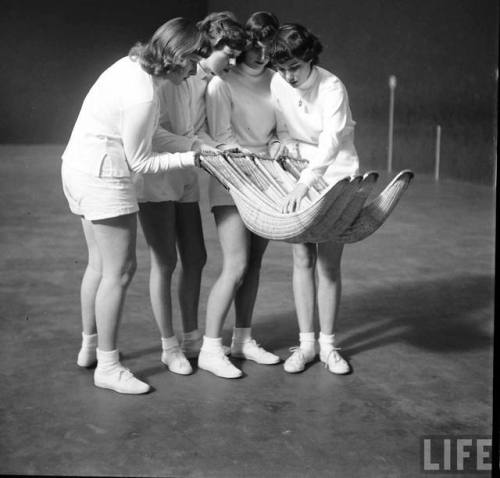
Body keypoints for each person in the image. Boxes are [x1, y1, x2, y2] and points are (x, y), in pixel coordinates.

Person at [61, 18, 203, 394]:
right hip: (103, 176)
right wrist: (192, 161)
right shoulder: (144, 91)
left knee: (98, 264)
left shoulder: (133, 66)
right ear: (177, 57)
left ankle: (90, 347)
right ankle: (108, 366)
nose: (193, 69)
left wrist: (192, 146)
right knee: (121, 271)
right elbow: (140, 160)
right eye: (191, 60)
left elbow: (147, 130)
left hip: (77, 168)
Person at [134, 12, 249, 373]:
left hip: (186, 176)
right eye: (225, 54)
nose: (231, 63)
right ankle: (170, 347)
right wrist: (200, 149)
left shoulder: (204, 82)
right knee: (165, 262)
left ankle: (192, 338)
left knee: (196, 257)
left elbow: (199, 131)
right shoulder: (168, 80)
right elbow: (157, 136)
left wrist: (210, 149)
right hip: (156, 176)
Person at [269, 23, 359, 375]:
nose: (288, 76)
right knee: (302, 258)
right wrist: (281, 147)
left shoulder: (333, 87)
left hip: (336, 173)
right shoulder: (278, 82)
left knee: (329, 264)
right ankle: (306, 345)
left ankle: (329, 346)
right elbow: (283, 129)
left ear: (309, 58)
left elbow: (331, 144)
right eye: (281, 68)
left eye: (294, 67)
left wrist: (304, 184)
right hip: (297, 172)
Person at [199, 11, 281, 379]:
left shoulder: (278, 82)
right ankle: (210, 349)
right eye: (256, 47)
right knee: (236, 265)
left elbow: (279, 129)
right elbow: (218, 139)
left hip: (268, 181)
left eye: (269, 49)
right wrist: (252, 163)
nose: (261, 55)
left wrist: (278, 142)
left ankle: (242, 340)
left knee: (255, 265)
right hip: (232, 180)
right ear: (244, 44)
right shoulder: (222, 83)